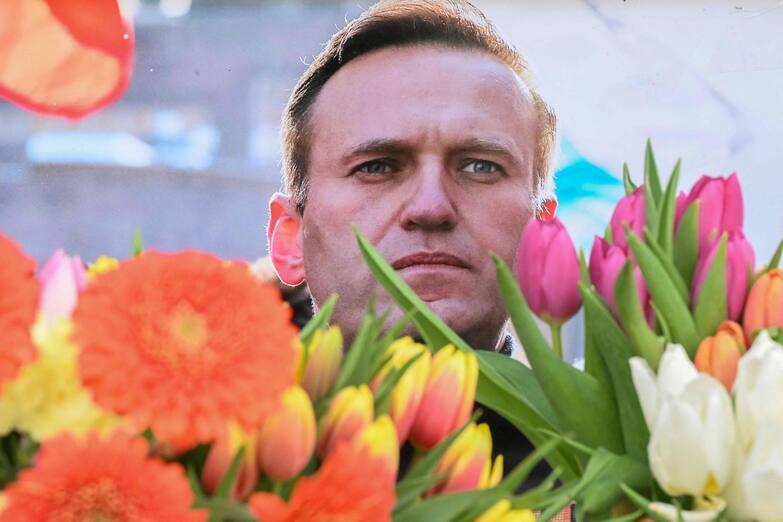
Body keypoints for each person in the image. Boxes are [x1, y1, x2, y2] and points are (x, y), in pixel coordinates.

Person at [265, 0, 566, 510]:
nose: (431, 207)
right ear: (289, 238)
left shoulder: (632, 470)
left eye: (480, 167)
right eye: (378, 167)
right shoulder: (190, 454)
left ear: (544, 234)